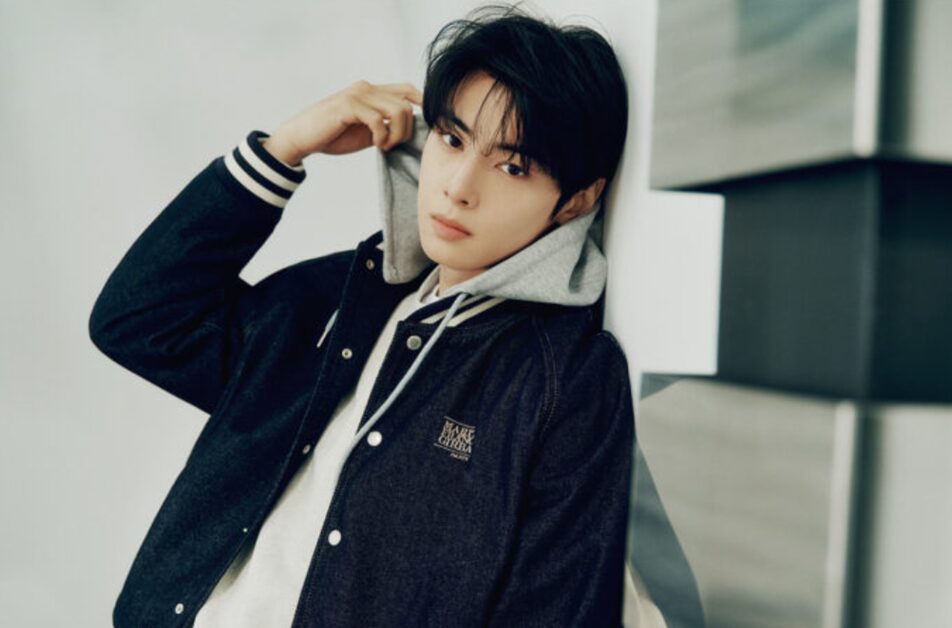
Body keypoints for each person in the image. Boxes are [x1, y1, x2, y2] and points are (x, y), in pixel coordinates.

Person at [89, 3, 634, 626]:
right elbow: (139, 321)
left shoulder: (566, 380)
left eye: (512, 166)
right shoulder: (347, 296)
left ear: (576, 201)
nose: (458, 187)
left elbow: (556, 609)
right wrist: (286, 148)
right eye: (452, 139)